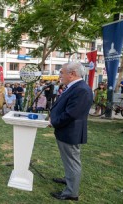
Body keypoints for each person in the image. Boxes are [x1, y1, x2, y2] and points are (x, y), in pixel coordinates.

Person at [49, 62, 93, 201]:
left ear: (72, 74)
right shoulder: (75, 87)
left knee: (72, 161)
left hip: (70, 131)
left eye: (62, 72)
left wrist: (54, 121)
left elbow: (71, 114)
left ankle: (71, 192)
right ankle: (69, 180)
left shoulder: (81, 90)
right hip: (67, 131)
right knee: (68, 160)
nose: (60, 75)